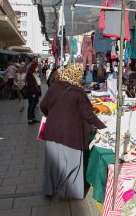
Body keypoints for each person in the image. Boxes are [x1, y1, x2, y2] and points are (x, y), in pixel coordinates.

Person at [40, 63, 106, 199]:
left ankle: (49, 190)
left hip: (52, 131)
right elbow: (89, 115)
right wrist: (104, 127)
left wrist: (53, 117)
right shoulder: (78, 93)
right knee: (71, 164)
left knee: (52, 164)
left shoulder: (55, 87)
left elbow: (43, 106)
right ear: (78, 76)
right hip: (71, 134)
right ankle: (67, 193)